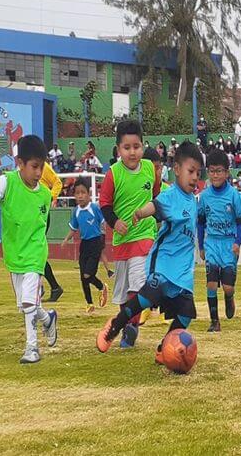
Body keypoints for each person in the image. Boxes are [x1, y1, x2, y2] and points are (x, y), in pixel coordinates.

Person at [96, 142, 204, 362]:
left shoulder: (194, 201)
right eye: (190, 171)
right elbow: (154, 205)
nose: (194, 177)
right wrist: (140, 213)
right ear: (177, 170)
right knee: (147, 297)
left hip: (183, 271)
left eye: (198, 173)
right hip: (163, 264)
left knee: (186, 313)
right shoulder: (171, 195)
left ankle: (164, 349)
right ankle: (115, 326)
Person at [0, 135, 58, 364]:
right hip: (15, 253)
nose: (38, 173)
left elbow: (43, 223)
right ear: (20, 163)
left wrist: (39, 248)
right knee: (27, 305)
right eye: (34, 167)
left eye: (42, 167)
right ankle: (48, 319)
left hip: (35, 254)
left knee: (27, 303)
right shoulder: (7, 181)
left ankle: (31, 348)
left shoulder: (45, 195)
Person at [99, 120, 162, 348]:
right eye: (127, 147)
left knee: (138, 284)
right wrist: (115, 223)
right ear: (118, 149)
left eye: (136, 146)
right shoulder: (113, 175)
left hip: (145, 236)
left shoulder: (149, 169)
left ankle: (132, 325)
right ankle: (127, 327)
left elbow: (156, 195)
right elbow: (104, 205)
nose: (132, 152)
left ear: (143, 146)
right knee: (124, 294)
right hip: (122, 242)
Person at [198, 148, 241, 332]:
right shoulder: (204, 196)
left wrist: (237, 243)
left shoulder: (234, 195)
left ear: (226, 172)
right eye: (212, 171)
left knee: (227, 287)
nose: (215, 175)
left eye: (219, 171)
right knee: (211, 283)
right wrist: (201, 246)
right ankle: (214, 321)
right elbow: (200, 222)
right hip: (212, 243)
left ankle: (229, 298)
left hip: (228, 244)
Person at [60, 178, 110, 315]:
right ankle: (89, 303)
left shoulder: (94, 208)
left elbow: (103, 222)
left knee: (88, 274)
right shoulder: (76, 211)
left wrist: (102, 236)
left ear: (88, 194)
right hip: (84, 244)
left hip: (95, 243)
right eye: (77, 193)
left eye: (83, 193)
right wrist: (66, 240)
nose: (80, 196)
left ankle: (101, 286)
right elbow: (73, 228)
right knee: (83, 276)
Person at [39, 161, 64, 302]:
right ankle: (49, 287)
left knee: (35, 250)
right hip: (31, 212)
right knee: (34, 251)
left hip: (41, 212)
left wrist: (50, 197)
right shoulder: (23, 168)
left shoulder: (42, 166)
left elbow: (57, 182)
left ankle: (47, 287)